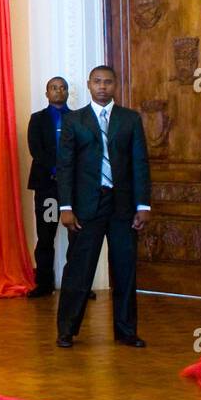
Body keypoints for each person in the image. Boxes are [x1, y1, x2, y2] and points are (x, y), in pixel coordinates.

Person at [55, 65, 151, 348]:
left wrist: (143, 205)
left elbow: (140, 164)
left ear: (115, 85)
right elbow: (65, 166)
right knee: (79, 269)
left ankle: (126, 331)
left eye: (108, 82)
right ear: (88, 85)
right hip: (86, 207)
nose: (102, 87)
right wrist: (65, 207)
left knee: (124, 268)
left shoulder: (130, 119)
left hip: (122, 206)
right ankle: (67, 329)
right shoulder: (75, 120)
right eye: (97, 82)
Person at [27, 77, 69, 298]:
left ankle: (75, 284)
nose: (58, 91)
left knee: (77, 235)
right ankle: (44, 284)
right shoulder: (38, 119)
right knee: (46, 234)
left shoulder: (78, 118)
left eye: (62, 88)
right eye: (54, 88)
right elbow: (36, 150)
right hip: (48, 187)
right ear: (47, 93)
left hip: (73, 188)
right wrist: (55, 171)